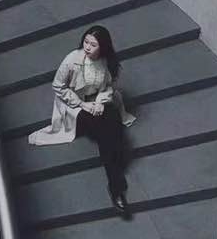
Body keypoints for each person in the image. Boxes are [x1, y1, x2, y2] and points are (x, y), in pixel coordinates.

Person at [27, 25, 137, 217]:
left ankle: (115, 173)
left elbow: (108, 86)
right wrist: (82, 104)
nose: (87, 47)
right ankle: (116, 186)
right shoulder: (72, 60)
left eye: (93, 44)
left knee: (112, 123)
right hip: (76, 106)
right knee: (105, 133)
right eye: (86, 42)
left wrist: (100, 102)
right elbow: (58, 86)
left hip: (97, 102)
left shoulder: (107, 62)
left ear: (103, 47)